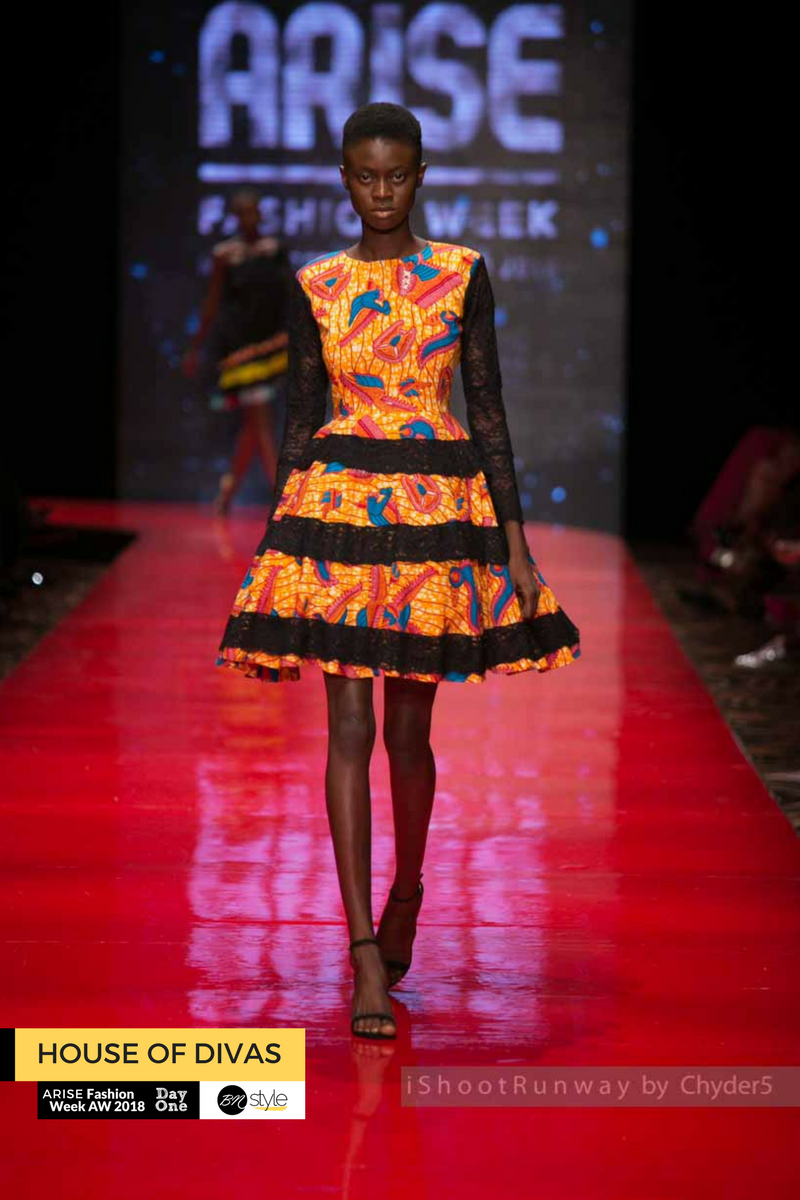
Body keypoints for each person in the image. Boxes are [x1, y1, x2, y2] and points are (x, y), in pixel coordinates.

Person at [216, 103, 581, 1040]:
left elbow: (487, 407)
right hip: (338, 515)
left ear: (419, 175)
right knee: (347, 728)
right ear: (345, 177)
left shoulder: (461, 273)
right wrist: (281, 544)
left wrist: (515, 542)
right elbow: (301, 418)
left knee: (409, 734)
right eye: (366, 176)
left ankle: (407, 893)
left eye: (397, 175)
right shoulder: (317, 282)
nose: (381, 191)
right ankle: (362, 954)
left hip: (432, 517)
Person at [182, 188, 292, 515]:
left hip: (271, 348)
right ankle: (279, 497)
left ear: (260, 213)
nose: (248, 218)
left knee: (254, 423)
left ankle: (227, 493)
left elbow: (291, 295)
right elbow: (212, 303)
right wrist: (196, 347)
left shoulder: (274, 251)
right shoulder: (224, 255)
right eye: (242, 212)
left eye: (252, 211)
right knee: (259, 418)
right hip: (239, 351)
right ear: (234, 216)